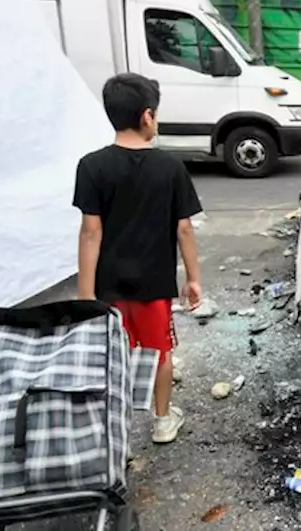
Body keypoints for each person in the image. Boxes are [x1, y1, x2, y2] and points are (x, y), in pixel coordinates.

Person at [73, 72, 203, 444]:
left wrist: (85, 294)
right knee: (158, 351)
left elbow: (90, 232)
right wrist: (193, 279)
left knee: (116, 354)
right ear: (147, 116)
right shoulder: (171, 168)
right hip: (153, 283)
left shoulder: (91, 166)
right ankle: (162, 421)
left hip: (107, 285)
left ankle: (120, 433)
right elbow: (184, 230)